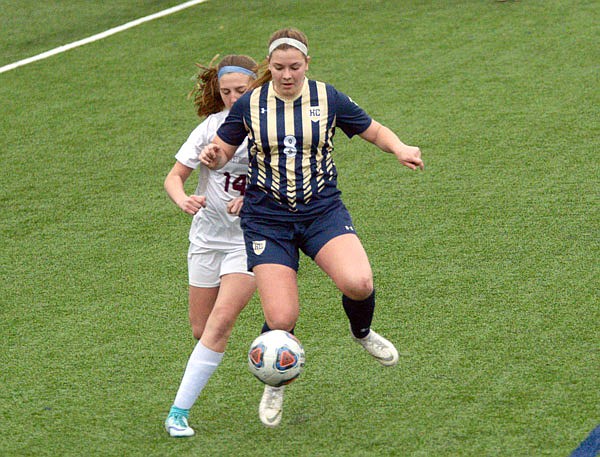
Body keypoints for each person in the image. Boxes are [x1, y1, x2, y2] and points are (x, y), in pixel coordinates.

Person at [199, 28, 424, 428]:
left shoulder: (327, 97)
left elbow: (373, 130)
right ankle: (276, 380)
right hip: (267, 220)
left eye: (295, 67)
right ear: (269, 66)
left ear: (307, 63)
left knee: (359, 282)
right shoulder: (251, 103)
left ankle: (362, 331)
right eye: (279, 67)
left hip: (322, 210)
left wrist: (401, 148)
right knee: (282, 318)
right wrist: (214, 155)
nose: (287, 75)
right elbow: (222, 151)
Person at [163, 54, 258, 437]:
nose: (233, 98)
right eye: (226, 92)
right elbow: (174, 176)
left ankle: (178, 413)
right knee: (201, 329)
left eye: (241, 90)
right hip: (205, 238)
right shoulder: (210, 129)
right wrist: (182, 198)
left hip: (249, 240)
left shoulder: (271, 129)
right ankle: (278, 335)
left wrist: (253, 198)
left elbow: (290, 184)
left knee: (220, 323)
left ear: (256, 87)